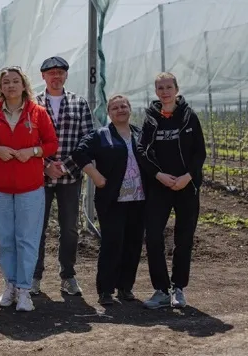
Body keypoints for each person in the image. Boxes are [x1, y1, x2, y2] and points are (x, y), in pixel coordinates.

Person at [0, 66, 58, 312]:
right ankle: (9, 285)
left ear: (24, 86)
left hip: (30, 187)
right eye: (6, 82)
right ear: (0, 87)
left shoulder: (38, 112)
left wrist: (32, 152)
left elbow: (51, 144)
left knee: (26, 239)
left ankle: (24, 290)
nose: (11, 85)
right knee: (6, 240)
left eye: (15, 81)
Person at [137, 72, 206, 309]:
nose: (165, 91)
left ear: (176, 89)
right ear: (156, 92)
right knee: (153, 235)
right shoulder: (151, 119)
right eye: (160, 88)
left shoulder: (189, 117)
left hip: (187, 186)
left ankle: (178, 288)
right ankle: (161, 289)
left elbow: (200, 153)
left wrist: (188, 176)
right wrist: (159, 175)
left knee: (184, 238)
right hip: (160, 186)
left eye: (168, 87)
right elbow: (142, 151)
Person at [72, 94, 147, 306]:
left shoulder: (140, 134)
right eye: (115, 108)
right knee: (112, 243)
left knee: (133, 244)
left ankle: (125, 288)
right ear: (109, 113)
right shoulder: (102, 135)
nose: (120, 110)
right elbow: (79, 153)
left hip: (139, 198)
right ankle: (105, 290)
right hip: (112, 199)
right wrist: (95, 176)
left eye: (124, 106)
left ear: (130, 109)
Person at [32, 56, 94, 296]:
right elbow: (30, 139)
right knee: (37, 227)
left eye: (60, 72)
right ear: (43, 77)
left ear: (66, 75)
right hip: (40, 177)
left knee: (69, 228)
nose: (56, 77)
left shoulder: (79, 103)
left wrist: (66, 165)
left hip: (70, 177)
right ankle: (34, 275)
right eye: (51, 73)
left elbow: (87, 139)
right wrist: (46, 165)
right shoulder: (34, 104)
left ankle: (68, 275)